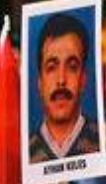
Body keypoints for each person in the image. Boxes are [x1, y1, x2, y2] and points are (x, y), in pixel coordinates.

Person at [28, 13, 100, 163]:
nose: (61, 80)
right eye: (51, 67)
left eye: (72, 67)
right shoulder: (23, 154)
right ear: (39, 83)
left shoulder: (104, 144)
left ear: (83, 79)